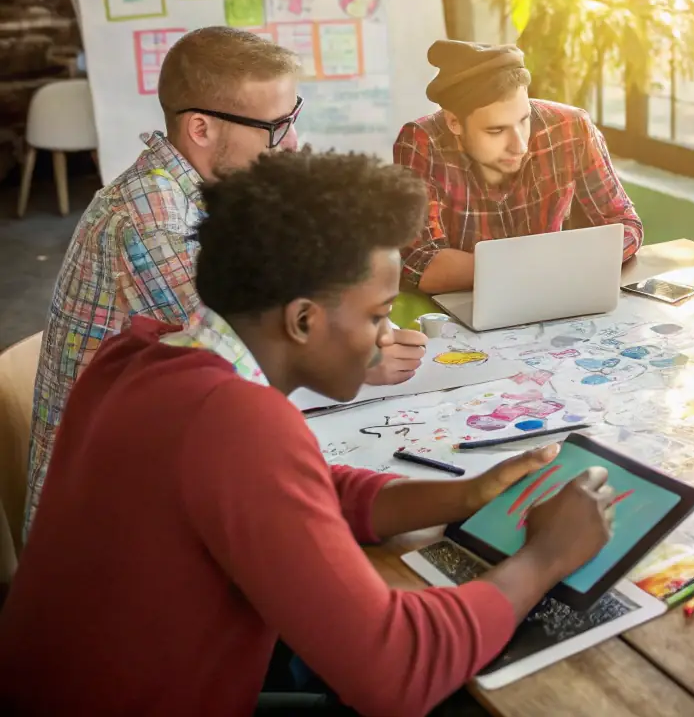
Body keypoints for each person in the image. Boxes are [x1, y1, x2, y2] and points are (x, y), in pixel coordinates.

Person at [0, 151, 617, 717]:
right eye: (377, 315)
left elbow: (300, 489)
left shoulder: (139, 354)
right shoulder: (235, 421)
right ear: (301, 320)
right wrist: (549, 555)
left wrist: (462, 496)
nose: (385, 337)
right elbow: (396, 668)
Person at [24, 27, 426, 534]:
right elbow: (256, 346)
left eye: (293, 118)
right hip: (99, 521)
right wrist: (362, 352)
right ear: (200, 129)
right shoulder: (151, 222)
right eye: (275, 127)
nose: (292, 141)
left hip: (156, 459)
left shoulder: (207, 192)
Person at [393, 39, 643, 294]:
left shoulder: (570, 126)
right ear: (454, 122)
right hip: (466, 304)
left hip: (553, 293)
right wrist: (543, 266)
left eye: (525, 120)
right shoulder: (421, 141)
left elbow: (624, 223)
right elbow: (421, 263)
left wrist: (551, 267)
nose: (519, 145)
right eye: (496, 130)